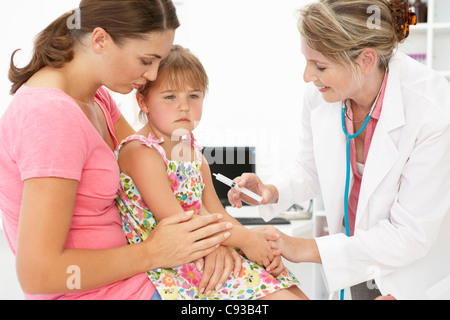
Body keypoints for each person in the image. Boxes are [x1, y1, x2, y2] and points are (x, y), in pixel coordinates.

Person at [0, 0, 234, 300]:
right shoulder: (51, 116)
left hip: (142, 279)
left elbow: (155, 163)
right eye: (146, 60)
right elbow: (38, 275)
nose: (151, 75)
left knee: (273, 287)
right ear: (100, 40)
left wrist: (213, 239)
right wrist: (153, 252)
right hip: (105, 292)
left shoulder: (95, 99)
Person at [228, 0, 450, 300]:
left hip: (414, 277)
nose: (307, 76)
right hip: (354, 263)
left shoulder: (432, 109)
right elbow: (311, 167)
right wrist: (272, 190)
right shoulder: (322, 96)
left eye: (319, 66)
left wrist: (300, 247)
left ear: (366, 60)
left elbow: (410, 234)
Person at [116, 45, 307, 300]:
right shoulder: (141, 152)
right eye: (170, 97)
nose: (184, 107)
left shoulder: (193, 152)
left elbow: (217, 213)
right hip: (175, 261)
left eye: (193, 96)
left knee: (290, 287)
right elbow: (181, 223)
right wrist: (247, 241)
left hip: (205, 243)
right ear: (143, 102)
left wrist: (250, 242)